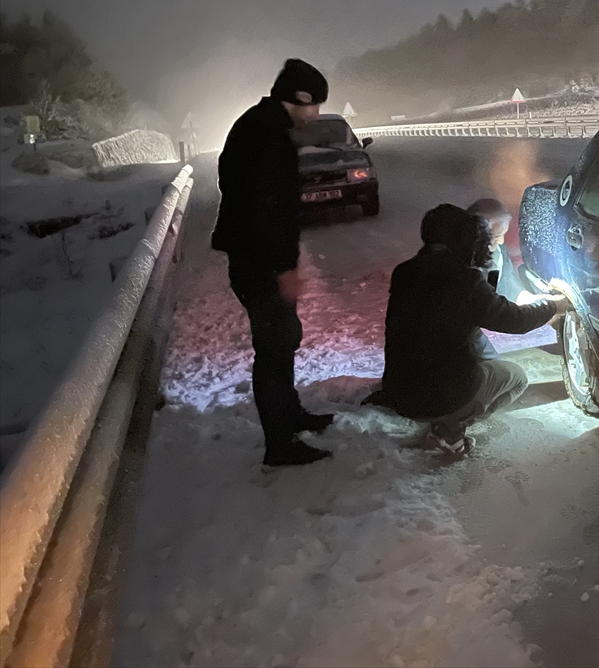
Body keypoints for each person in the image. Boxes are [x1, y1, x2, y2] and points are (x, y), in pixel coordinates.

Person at [366, 204, 567, 456]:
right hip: (440, 394)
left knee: (473, 345)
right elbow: (514, 320)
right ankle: (450, 430)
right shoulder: (464, 279)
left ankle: (447, 415)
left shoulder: (404, 272)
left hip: (399, 392)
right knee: (517, 378)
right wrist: (553, 306)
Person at [211, 58, 335, 467]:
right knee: (274, 349)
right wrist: (284, 269)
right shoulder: (265, 137)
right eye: (315, 105)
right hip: (260, 265)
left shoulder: (259, 126)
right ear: (298, 99)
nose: (315, 114)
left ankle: (291, 414)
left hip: (256, 261)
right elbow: (268, 212)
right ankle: (280, 443)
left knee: (284, 341)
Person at [466, 198, 524, 301]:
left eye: (502, 235)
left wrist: (525, 297)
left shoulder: (500, 251)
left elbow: (508, 282)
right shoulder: (464, 263)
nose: (501, 242)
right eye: (495, 237)